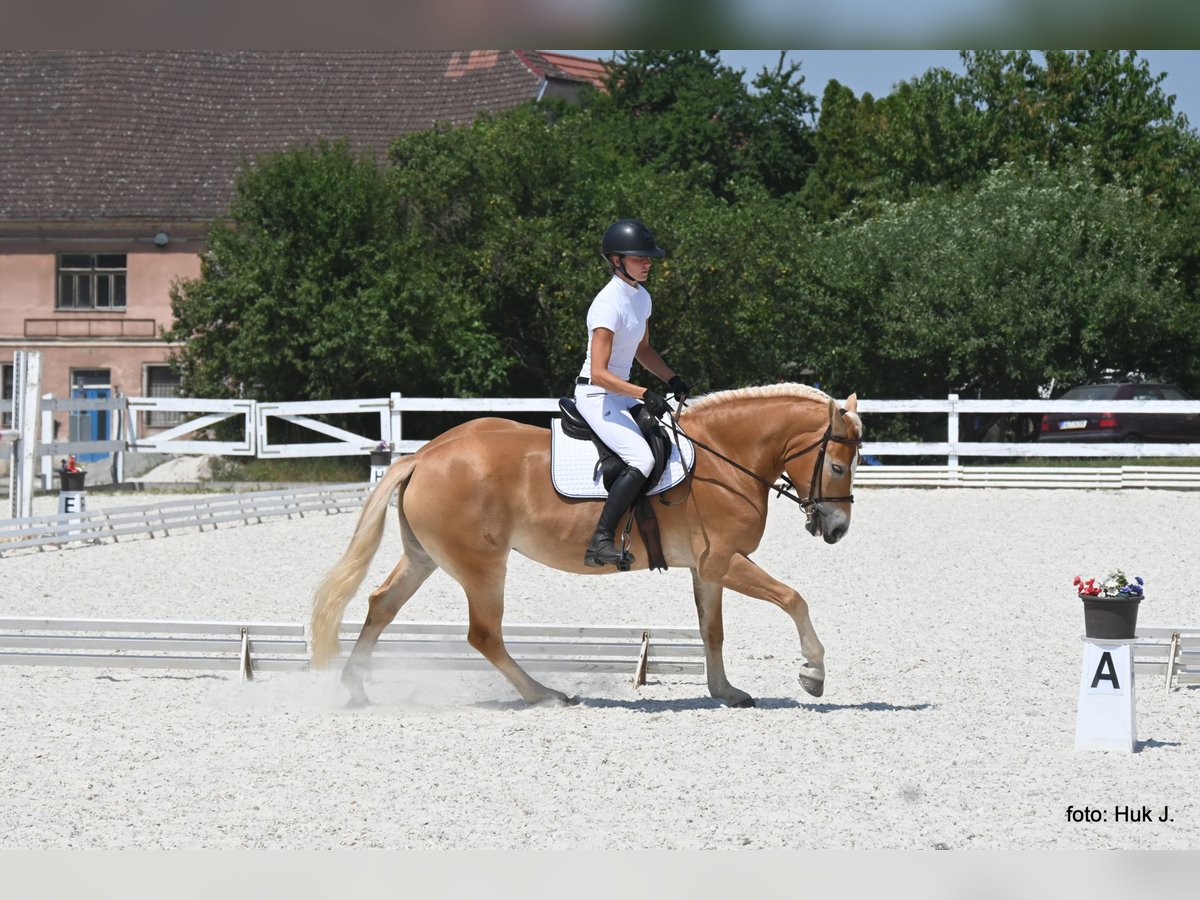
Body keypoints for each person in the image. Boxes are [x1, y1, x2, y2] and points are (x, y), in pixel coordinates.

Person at [575, 218, 690, 568]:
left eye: (648, 257)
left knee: (671, 433)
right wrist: (643, 392)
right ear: (616, 260)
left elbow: (643, 350)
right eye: (640, 257)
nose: (648, 262)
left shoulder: (641, 298)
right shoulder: (607, 304)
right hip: (597, 396)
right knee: (642, 459)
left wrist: (672, 379)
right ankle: (600, 540)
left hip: (622, 394)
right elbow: (598, 373)